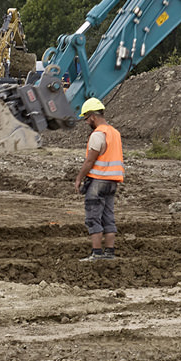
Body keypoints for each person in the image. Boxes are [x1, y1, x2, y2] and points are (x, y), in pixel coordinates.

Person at [78, 97, 124, 261]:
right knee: (108, 217)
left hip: (98, 181)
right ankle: (109, 253)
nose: (86, 122)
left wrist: (79, 178)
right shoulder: (115, 133)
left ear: (92, 116)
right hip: (112, 181)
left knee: (93, 217)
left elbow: (90, 161)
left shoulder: (98, 134)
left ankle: (96, 253)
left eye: (86, 118)